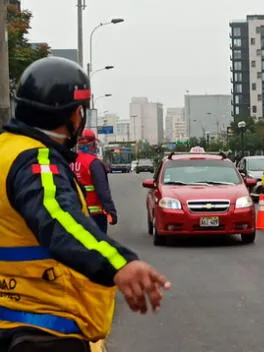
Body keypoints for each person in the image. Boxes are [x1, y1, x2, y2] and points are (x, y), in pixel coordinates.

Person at [0, 57, 170, 351]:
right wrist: (119, 263)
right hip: (44, 327)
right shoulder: (36, 161)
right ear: (75, 115)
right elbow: (58, 217)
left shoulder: (6, 150)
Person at [71, 129, 117, 234]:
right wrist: (111, 212)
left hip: (75, 213)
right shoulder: (94, 163)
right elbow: (103, 191)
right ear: (92, 144)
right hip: (94, 216)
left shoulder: (70, 161)